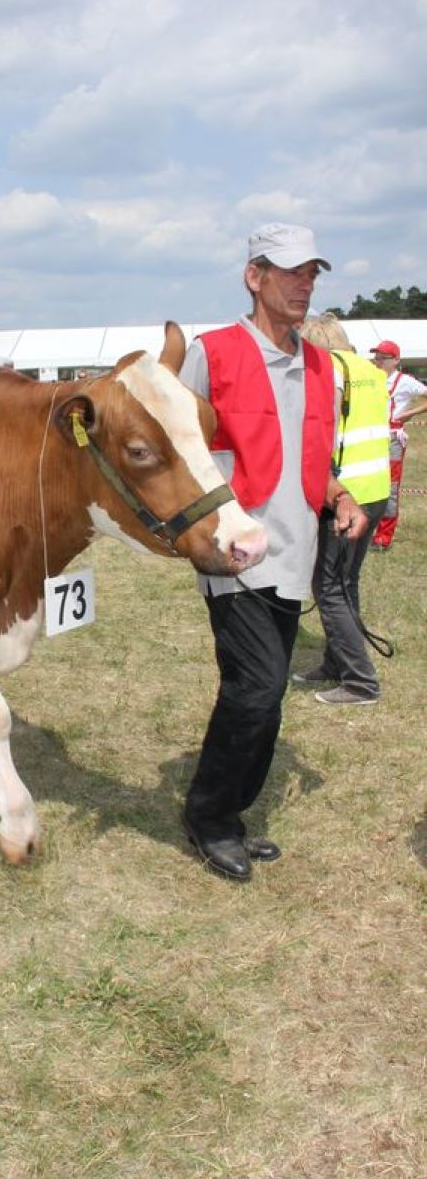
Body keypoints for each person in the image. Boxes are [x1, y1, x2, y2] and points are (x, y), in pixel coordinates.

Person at [178, 222, 367, 881]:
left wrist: (339, 497)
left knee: (267, 696)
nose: (304, 284)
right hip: (237, 553)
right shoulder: (211, 352)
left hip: (297, 552)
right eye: (290, 271)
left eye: (312, 272)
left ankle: (229, 812)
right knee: (255, 690)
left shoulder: (320, 363)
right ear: (253, 276)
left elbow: (311, 453)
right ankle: (207, 816)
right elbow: (177, 446)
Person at [294, 314, 390, 705]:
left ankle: (360, 680)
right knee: (346, 582)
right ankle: (336, 663)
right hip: (375, 489)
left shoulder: (327, 372)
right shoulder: (370, 371)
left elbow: (324, 432)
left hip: (343, 493)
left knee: (328, 586)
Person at [368, 340, 426, 551]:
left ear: (396, 360)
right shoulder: (371, 378)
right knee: (370, 485)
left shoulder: (405, 382)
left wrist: (409, 413)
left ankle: (383, 537)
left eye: (383, 358)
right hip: (372, 436)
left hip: (393, 437)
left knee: (390, 488)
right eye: (377, 357)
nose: (378, 361)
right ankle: (366, 531)